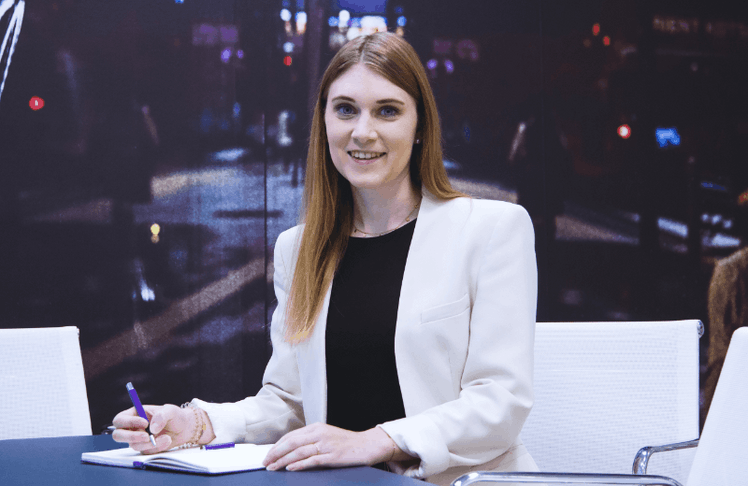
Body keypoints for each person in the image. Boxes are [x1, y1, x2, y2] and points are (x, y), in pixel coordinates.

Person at [112, 32, 539, 485]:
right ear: (324, 122)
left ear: (420, 127)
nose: (363, 132)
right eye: (346, 109)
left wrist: (378, 440)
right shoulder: (299, 250)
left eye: (387, 111)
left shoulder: (492, 230)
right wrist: (197, 424)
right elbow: (289, 402)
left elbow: (500, 401)